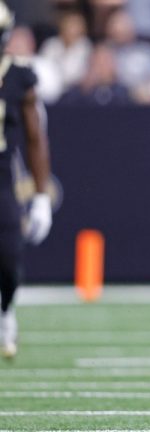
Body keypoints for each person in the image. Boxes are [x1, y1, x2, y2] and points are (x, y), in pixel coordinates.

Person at [0, 1, 52, 359]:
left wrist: (41, 196)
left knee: (7, 254)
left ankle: (4, 311)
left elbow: (35, 138)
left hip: (1, 171)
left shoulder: (18, 75)